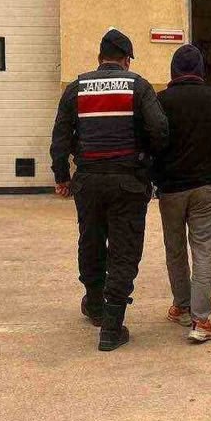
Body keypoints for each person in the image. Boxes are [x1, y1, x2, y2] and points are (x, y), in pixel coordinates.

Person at [49, 28, 169, 352]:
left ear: (100, 57)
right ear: (127, 59)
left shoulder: (77, 87)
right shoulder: (138, 86)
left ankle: (95, 305)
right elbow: (160, 130)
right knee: (124, 249)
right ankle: (112, 327)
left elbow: (60, 137)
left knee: (90, 240)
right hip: (128, 182)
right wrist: (148, 162)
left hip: (88, 181)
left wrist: (62, 176)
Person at [153, 44, 211, 343]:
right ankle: (201, 320)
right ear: (201, 69)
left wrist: (157, 174)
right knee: (203, 251)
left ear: (173, 69)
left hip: (170, 188)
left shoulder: (160, 100)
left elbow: (153, 139)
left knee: (174, 248)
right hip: (204, 186)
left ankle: (181, 307)